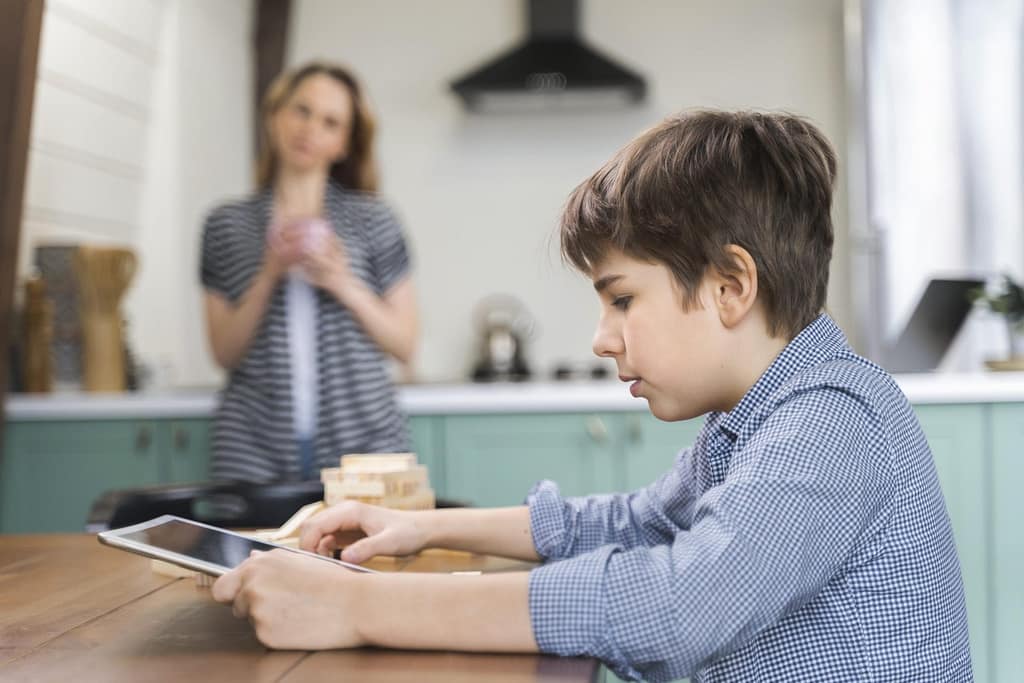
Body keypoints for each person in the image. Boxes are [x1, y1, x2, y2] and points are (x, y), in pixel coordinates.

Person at [211, 110, 972, 681]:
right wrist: (417, 527)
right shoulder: (756, 418)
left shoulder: (831, 421)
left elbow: (677, 606)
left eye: (622, 299)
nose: (602, 338)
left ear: (731, 286)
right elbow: (636, 522)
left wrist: (353, 606)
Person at [200, 62, 417, 483]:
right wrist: (268, 275)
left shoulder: (375, 220)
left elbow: (405, 344)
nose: (310, 128)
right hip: (250, 447)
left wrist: (342, 282)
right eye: (302, 110)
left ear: (343, 145)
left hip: (366, 442)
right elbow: (223, 353)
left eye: (330, 122)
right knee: (254, 550)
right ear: (275, 115)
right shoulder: (226, 225)